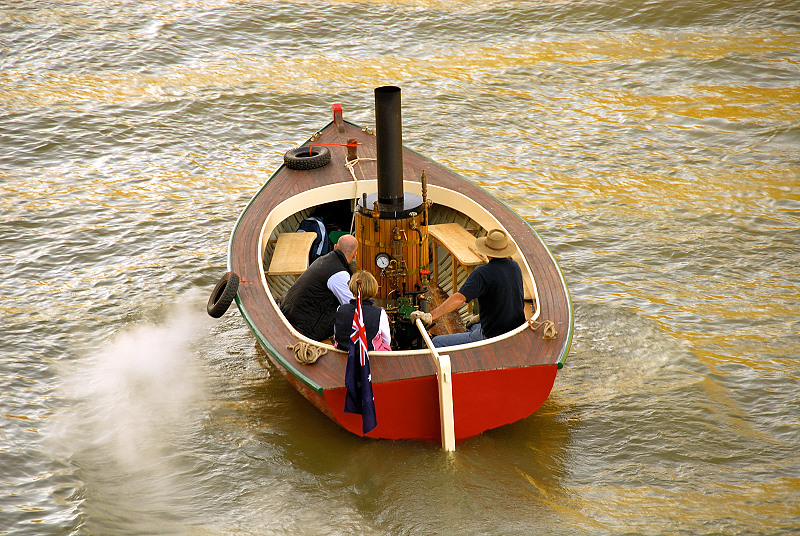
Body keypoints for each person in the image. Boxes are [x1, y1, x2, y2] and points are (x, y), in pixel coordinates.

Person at [410, 228, 525, 347]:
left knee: (437, 342)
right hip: (515, 331)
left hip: (492, 336)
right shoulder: (514, 266)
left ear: (487, 251)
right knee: (472, 325)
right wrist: (481, 317)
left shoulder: (482, 273)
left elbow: (459, 298)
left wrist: (430, 316)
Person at [280, 233, 358, 341]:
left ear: (335, 246)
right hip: (303, 327)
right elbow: (352, 306)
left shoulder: (323, 260)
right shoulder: (339, 274)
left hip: (287, 312)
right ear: (354, 255)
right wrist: (376, 313)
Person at [334, 271, 392, 352]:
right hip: (369, 357)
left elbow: (337, 334)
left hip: (344, 355)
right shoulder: (380, 313)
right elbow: (387, 340)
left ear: (352, 288)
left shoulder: (340, 309)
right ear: (373, 289)